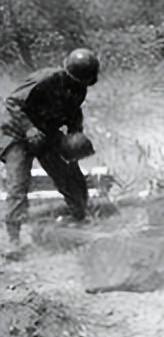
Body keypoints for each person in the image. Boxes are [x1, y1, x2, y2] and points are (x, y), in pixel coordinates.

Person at [1, 48, 99, 254]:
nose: (80, 85)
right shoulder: (46, 79)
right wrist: (28, 128)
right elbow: (12, 102)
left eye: (84, 82)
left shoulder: (79, 89)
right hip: (17, 134)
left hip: (46, 133)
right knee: (18, 184)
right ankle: (13, 240)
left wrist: (74, 140)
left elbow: (74, 114)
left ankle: (79, 218)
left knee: (70, 175)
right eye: (78, 80)